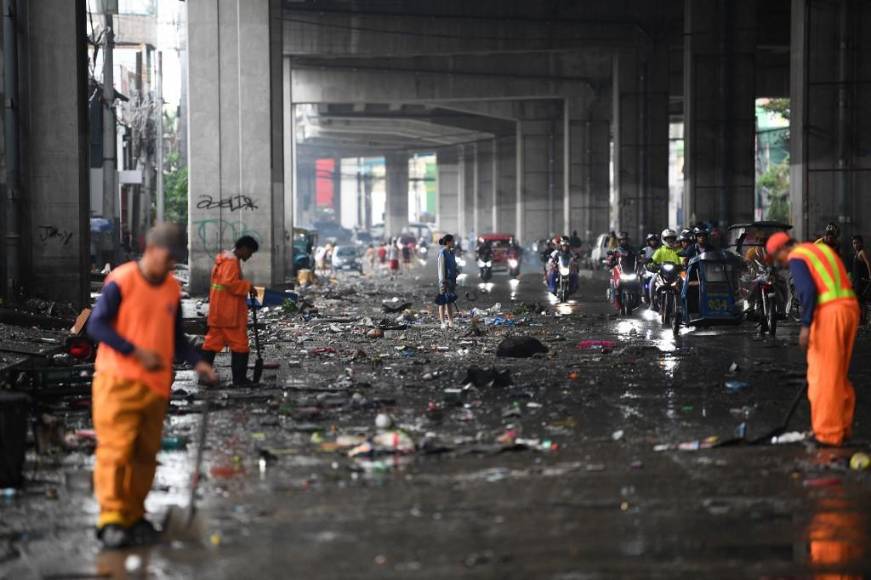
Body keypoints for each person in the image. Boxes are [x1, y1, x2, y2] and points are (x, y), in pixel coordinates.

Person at [87, 224, 218, 549]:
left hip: (155, 387)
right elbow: (96, 325)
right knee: (117, 452)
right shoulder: (122, 280)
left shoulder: (171, 289)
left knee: (145, 454)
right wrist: (134, 351)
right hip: (118, 382)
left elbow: (175, 337)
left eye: (175, 260)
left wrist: (198, 362)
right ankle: (112, 518)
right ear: (151, 249)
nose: (171, 265)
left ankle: (134, 515)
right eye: (168, 257)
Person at [767, 232, 859, 446]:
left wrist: (806, 325)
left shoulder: (798, 256)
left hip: (830, 314)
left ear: (783, 249)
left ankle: (827, 434)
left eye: (778, 258)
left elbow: (807, 291)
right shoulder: (822, 250)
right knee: (837, 374)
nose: (782, 264)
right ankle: (841, 427)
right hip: (849, 310)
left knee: (823, 376)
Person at [201, 236, 259, 386]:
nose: (250, 256)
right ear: (244, 248)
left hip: (219, 312)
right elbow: (229, 283)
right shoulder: (231, 262)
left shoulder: (224, 260)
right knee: (240, 345)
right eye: (250, 252)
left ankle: (204, 377)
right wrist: (247, 286)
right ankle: (239, 380)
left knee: (211, 344)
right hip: (229, 314)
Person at [647, 229, 683, 310]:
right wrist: (650, 264)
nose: (670, 240)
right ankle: (652, 303)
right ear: (664, 239)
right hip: (661, 273)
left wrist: (683, 264)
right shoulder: (660, 250)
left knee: (684, 282)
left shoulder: (678, 250)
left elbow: (683, 259)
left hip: (675, 274)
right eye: (668, 239)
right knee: (652, 281)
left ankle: (681, 304)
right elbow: (653, 260)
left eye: (672, 239)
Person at [435, 234, 458, 329]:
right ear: (448, 242)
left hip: (451, 281)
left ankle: (451, 322)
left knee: (449, 301)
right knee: (442, 301)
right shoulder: (442, 253)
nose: (454, 243)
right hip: (444, 281)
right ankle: (442, 322)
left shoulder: (451, 253)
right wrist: (442, 281)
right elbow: (441, 268)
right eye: (453, 241)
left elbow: (454, 266)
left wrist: (456, 272)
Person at [851, 235, 871, 323]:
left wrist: (870, 275)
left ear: (861, 243)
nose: (855, 245)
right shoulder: (856, 253)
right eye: (854, 243)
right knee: (858, 300)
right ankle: (861, 318)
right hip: (856, 280)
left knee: (861, 300)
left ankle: (863, 318)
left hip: (861, 280)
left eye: (857, 243)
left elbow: (868, 263)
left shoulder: (862, 252)